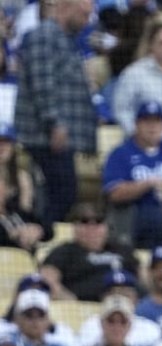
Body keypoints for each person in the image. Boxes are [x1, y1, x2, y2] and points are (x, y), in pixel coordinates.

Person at [14, 0, 97, 226]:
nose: (87, 21)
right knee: (62, 193)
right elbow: (43, 85)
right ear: (66, 8)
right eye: (83, 14)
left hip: (57, 137)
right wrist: (55, 124)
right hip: (45, 136)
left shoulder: (65, 40)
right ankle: (38, 237)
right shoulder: (44, 36)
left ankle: (40, 236)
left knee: (62, 193)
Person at [102, 100, 162, 249]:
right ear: (136, 124)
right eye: (146, 122)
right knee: (159, 219)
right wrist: (149, 184)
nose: (152, 127)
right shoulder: (121, 153)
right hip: (136, 215)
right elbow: (114, 193)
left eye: (157, 122)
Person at [39, 205, 140, 303]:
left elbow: (145, 277)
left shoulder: (122, 249)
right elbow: (47, 278)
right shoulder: (64, 251)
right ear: (75, 227)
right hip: (82, 308)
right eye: (84, 221)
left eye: (98, 221)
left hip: (127, 306)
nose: (92, 227)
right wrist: (70, 301)